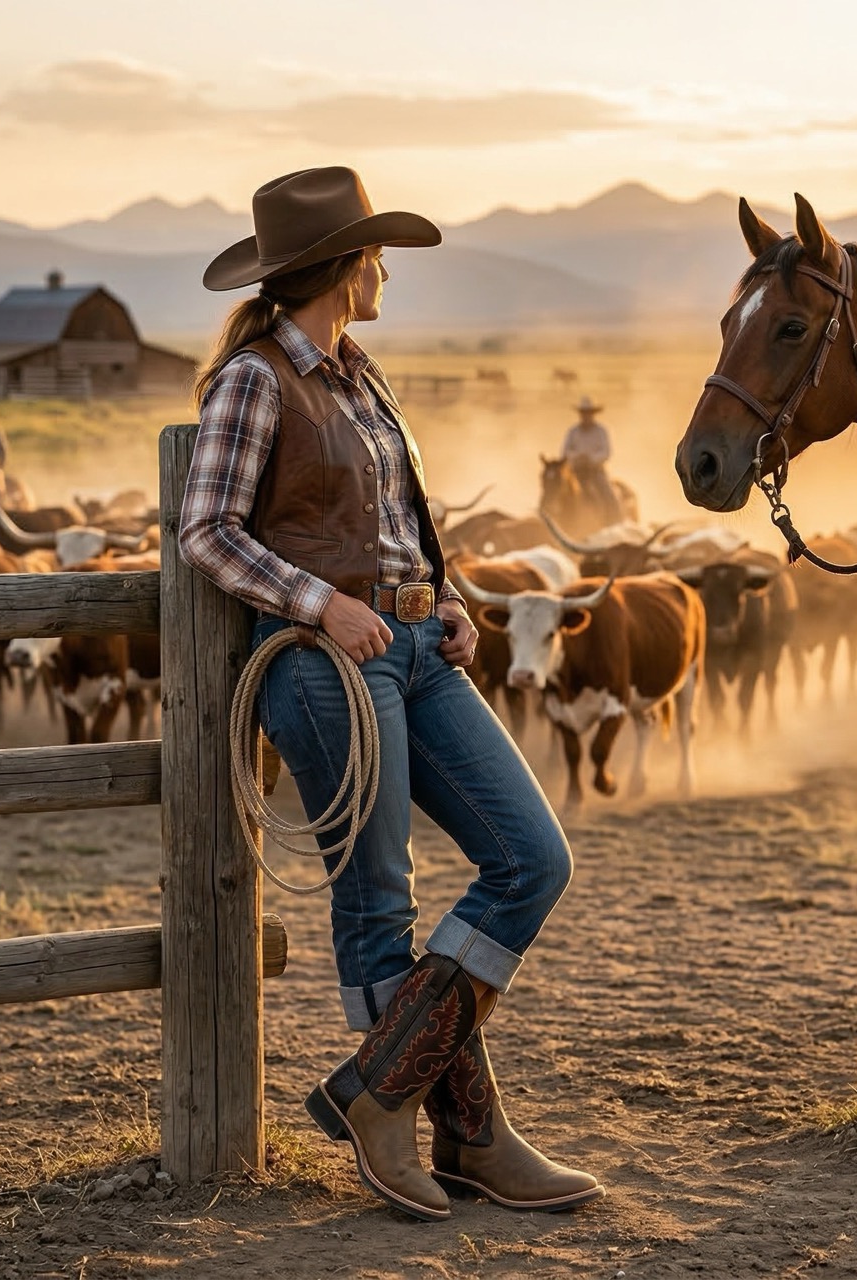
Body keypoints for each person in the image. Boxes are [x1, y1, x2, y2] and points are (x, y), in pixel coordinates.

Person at [180, 166, 602, 1222]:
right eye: (374, 252)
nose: (383, 269)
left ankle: (382, 1096)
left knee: (531, 854)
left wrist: (447, 595)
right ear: (340, 265)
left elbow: (399, 520)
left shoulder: (362, 376)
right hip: (327, 663)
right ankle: (465, 1132)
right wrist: (321, 603)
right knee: (378, 896)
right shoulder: (253, 381)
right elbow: (207, 531)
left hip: (415, 644)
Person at [561, 395, 620, 523]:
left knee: (609, 496)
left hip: (596, 472)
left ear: (593, 414)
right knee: (557, 494)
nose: (585, 416)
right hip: (575, 472)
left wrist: (591, 459)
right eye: (583, 413)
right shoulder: (573, 432)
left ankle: (615, 521)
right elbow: (564, 452)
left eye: (588, 413)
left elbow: (606, 452)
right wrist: (577, 457)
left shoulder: (601, 431)